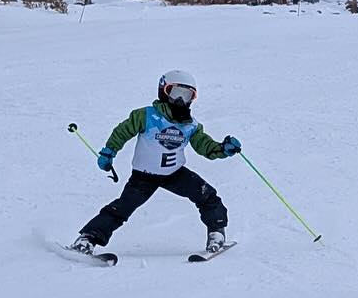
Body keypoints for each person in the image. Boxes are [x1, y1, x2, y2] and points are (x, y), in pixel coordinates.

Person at [68, 70, 241, 255]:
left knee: (207, 196)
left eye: (187, 95)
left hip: (175, 174)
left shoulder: (191, 125)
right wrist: (109, 151)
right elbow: (122, 131)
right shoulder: (146, 116)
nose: (181, 101)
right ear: (164, 92)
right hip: (144, 176)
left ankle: (217, 233)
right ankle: (87, 239)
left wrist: (223, 149)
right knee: (122, 208)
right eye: (176, 94)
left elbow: (205, 146)